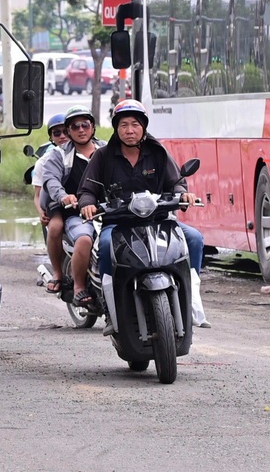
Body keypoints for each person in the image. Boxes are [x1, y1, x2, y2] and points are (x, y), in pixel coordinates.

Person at [77, 99, 209, 328]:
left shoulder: (157, 152)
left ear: (144, 127)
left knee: (194, 239)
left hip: (159, 221)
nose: (130, 130)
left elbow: (176, 182)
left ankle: (190, 298)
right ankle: (110, 308)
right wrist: (87, 204)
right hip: (118, 223)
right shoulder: (103, 156)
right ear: (116, 128)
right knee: (106, 246)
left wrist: (183, 195)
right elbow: (87, 190)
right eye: (124, 125)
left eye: (135, 124)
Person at [49, 109, 102, 305]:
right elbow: (51, 181)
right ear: (69, 131)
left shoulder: (107, 150)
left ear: (93, 127)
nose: (81, 130)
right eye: (75, 126)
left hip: (110, 211)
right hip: (77, 213)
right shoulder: (59, 155)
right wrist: (64, 197)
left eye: (85, 125)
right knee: (84, 239)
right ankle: (78, 286)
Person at [32, 114, 71, 288]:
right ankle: (57, 272)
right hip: (57, 205)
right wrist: (41, 213)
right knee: (55, 227)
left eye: (65, 131)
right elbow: (38, 194)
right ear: (51, 137)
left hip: (85, 200)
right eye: (57, 133)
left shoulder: (88, 152)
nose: (62, 136)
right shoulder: (44, 162)